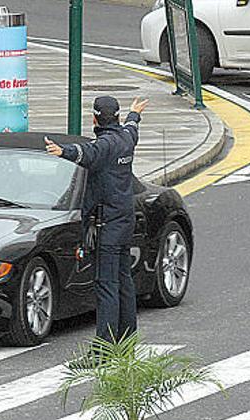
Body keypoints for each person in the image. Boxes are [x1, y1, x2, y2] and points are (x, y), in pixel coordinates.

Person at [45, 96, 149, 347]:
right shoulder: (126, 138)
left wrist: (63, 151)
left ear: (94, 119)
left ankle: (104, 348)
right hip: (125, 221)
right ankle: (127, 341)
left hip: (109, 225)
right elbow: (132, 127)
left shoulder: (106, 145)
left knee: (106, 286)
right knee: (124, 281)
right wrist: (134, 114)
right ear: (116, 117)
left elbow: (87, 153)